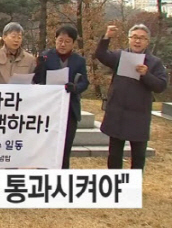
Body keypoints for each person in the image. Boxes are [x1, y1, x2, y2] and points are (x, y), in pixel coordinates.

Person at [96, 24, 168, 170]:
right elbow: (101, 55)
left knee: (138, 156)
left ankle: (133, 188)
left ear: (147, 41)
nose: (137, 41)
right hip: (117, 112)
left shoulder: (154, 62)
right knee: (114, 154)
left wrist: (146, 75)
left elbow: (160, 86)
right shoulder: (120, 56)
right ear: (129, 39)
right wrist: (106, 37)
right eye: (134, 37)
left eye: (142, 38)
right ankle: (114, 186)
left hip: (139, 115)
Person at [33, 25, 89, 169]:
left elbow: (85, 82)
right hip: (49, 110)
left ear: (73, 43)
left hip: (70, 109)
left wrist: (75, 88)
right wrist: (39, 66)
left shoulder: (79, 60)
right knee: (46, 148)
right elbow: (37, 80)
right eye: (60, 40)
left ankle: (62, 178)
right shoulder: (46, 56)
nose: (63, 44)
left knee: (65, 148)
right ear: (55, 40)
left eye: (67, 41)